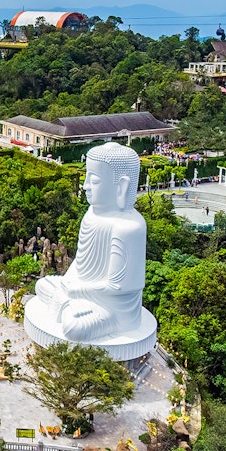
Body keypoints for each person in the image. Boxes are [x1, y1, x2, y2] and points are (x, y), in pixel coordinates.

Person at [34, 143, 146, 342]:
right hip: (80, 291)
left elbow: (121, 287)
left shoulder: (130, 227)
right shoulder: (91, 214)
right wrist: (68, 283)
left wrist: (77, 291)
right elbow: (81, 262)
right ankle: (69, 303)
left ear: (121, 186)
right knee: (42, 285)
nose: (85, 185)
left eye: (93, 180)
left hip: (112, 309)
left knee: (75, 328)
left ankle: (68, 305)